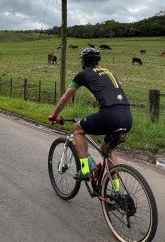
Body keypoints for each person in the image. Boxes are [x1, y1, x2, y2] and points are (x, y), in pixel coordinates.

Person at [48, 47, 132, 193]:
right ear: (98, 61)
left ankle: (85, 170)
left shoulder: (83, 74)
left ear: (83, 62)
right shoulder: (109, 72)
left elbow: (66, 97)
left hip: (109, 115)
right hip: (127, 116)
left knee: (78, 129)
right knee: (107, 150)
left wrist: (55, 115)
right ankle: (118, 192)